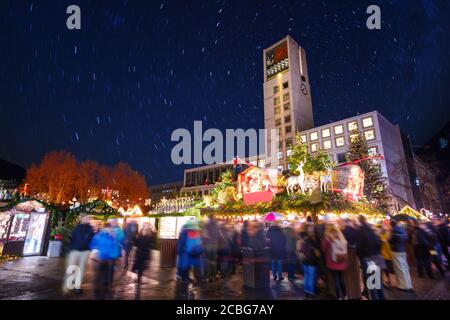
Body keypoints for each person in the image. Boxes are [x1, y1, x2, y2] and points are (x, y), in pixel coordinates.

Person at [62, 215, 95, 295]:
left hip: (85, 251)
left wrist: (89, 249)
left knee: (81, 270)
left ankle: (77, 287)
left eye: (88, 218)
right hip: (74, 250)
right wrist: (70, 248)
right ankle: (67, 287)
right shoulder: (77, 227)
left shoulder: (90, 229)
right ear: (82, 218)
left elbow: (92, 240)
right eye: (86, 217)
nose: (87, 219)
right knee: (71, 269)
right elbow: (72, 238)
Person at [355, 215, 385, 300]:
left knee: (372, 284)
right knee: (378, 282)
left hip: (368, 258)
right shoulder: (372, 229)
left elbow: (359, 247)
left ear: (359, 221)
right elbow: (379, 243)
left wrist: (360, 255)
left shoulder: (360, 232)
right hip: (377, 257)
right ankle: (382, 298)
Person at [90, 223, 121, 299]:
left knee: (106, 279)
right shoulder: (98, 236)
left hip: (109, 260)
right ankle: (97, 294)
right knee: (98, 278)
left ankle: (103, 293)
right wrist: (96, 253)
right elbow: (92, 246)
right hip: (99, 260)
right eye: (108, 229)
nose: (109, 230)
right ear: (104, 229)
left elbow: (116, 250)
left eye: (110, 229)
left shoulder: (112, 238)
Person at [322, 223, 348, 300]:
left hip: (332, 263)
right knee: (342, 280)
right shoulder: (341, 236)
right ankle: (345, 296)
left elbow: (324, 249)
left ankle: (339, 297)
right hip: (342, 261)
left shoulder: (327, 238)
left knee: (336, 280)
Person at [389, 220, 413, 291]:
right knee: (405, 268)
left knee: (399, 269)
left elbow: (391, 241)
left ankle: (403, 286)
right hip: (403, 250)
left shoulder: (394, 231)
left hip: (396, 251)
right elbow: (406, 239)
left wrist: (389, 236)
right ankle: (408, 284)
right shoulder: (402, 230)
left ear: (391, 225)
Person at [299, 224, 320, 297]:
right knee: (311, 276)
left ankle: (306, 291)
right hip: (311, 260)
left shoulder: (303, 238)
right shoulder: (311, 239)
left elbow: (301, 250)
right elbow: (317, 249)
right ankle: (311, 292)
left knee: (307, 276)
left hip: (305, 260)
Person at [202, 215, 219, 281]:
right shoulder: (217, 225)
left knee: (207, 260)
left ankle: (207, 276)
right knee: (214, 260)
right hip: (215, 245)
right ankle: (213, 275)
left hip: (208, 245)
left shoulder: (206, 225)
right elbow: (218, 235)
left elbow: (204, 235)